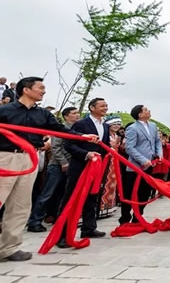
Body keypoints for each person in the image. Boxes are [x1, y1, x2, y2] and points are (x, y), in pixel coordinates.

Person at [0, 77, 96, 261]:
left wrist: (83, 136)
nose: (44, 91)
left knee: (20, 205)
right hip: (5, 157)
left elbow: (60, 129)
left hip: (30, 159)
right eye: (40, 87)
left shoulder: (43, 114)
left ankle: (9, 248)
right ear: (26, 90)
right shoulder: (4, 111)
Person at [56, 98, 111, 248]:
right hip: (80, 167)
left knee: (92, 197)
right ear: (92, 107)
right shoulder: (81, 124)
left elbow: (104, 145)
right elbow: (69, 145)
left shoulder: (105, 126)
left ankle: (89, 228)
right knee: (71, 199)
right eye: (102, 105)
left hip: (96, 168)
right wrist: (86, 154)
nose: (105, 108)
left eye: (106, 105)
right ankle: (62, 235)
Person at [27, 107, 80, 232]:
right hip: (57, 165)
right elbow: (55, 148)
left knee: (64, 194)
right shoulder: (61, 129)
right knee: (47, 193)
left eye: (77, 113)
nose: (77, 115)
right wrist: (63, 162)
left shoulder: (77, 129)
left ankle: (60, 218)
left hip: (72, 165)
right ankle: (35, 221)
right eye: (74, 113)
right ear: (66, 116)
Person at [119, 104, 163, 225]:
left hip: (150, 165)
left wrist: (159, 154)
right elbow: (129, 148)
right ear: (140, 114)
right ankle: (124, 218)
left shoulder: (153, 126)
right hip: (135, 167)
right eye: (146, 110)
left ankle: (138, 217)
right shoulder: (132, 128)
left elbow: (157, 142)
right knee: (129, 193)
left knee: (145, 192)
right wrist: (143, 160)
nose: (149, 111)